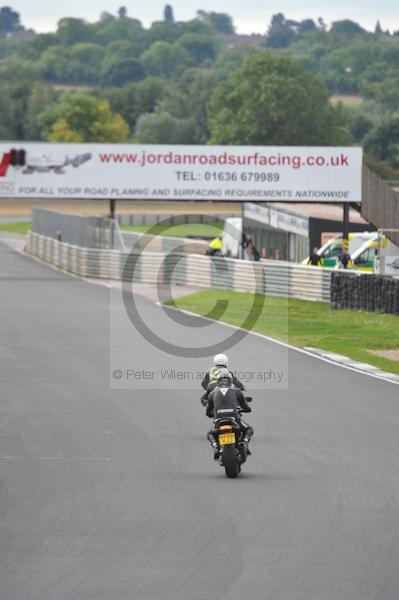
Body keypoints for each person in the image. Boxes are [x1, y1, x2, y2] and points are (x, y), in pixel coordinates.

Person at [206, 372, 253, 459]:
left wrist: (212, 414)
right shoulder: (237, 391)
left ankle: (216, 447)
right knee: (248, 429)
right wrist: (247, 409)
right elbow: (245, 406)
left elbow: (208, 411)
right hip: (233, 418)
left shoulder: (212, 394)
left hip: (219, 419)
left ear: (218, 382)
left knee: (210, 434)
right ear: (230, 381)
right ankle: (244, 442)